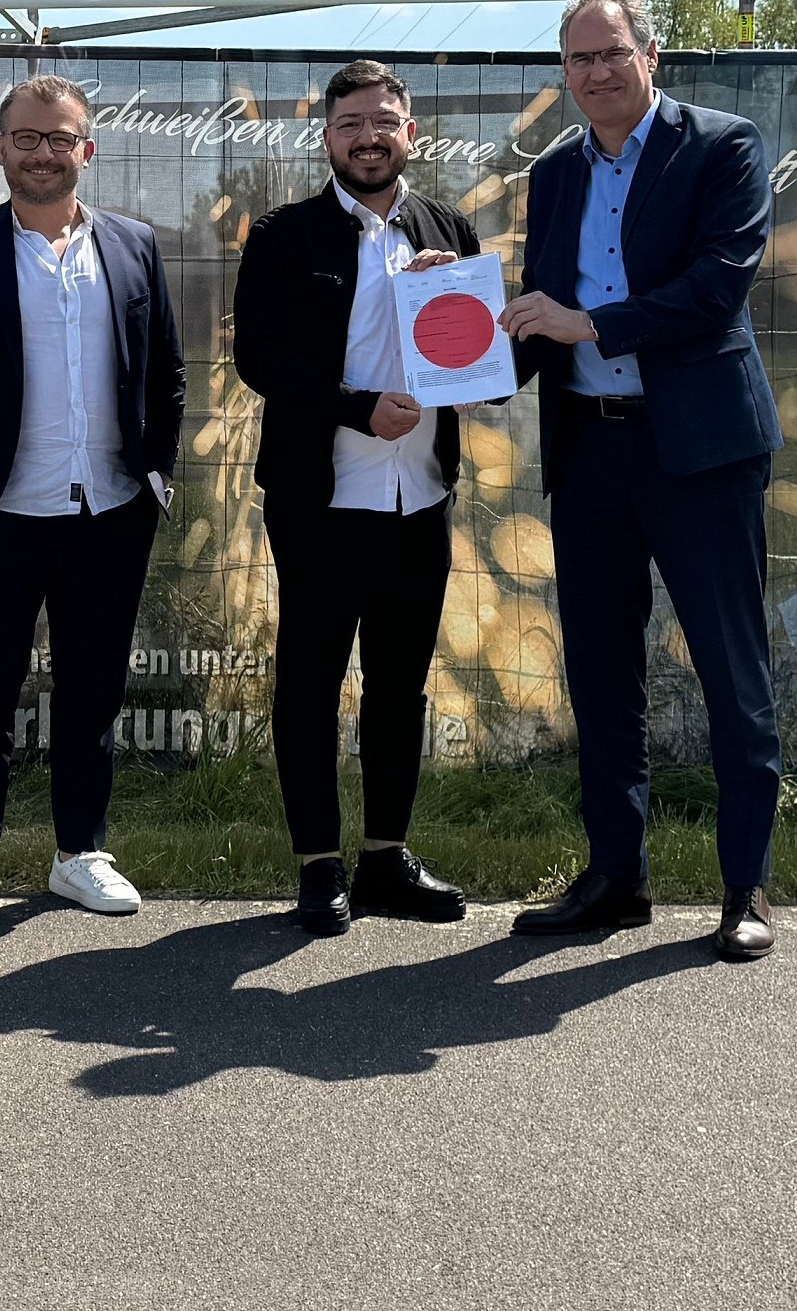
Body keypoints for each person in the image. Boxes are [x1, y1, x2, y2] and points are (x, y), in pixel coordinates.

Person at [499, 0, 785, 963]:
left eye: (610, 54)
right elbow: (548, 306)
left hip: (700, 452)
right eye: (577, 60)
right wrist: (464, 354)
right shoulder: (557, 174)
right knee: (602, 676)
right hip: (592, 454)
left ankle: (745, 889)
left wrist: (591, 325)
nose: (594, 74)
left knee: (731, 671)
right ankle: (616, 878)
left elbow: (715, 291)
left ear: (650, 55)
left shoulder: (724, 146)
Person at [0, 76, 186, 926]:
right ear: (1, 150)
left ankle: (79, 852)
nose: (44, 153)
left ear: (86, 150)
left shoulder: (133, 246)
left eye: (61, 139)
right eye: (28, 138)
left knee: (93, 691)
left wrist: (156, 473)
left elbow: (166, 372)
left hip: (111, 508)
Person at [230, 59, 479, 936]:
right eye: (349, 125)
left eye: (384, 121)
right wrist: (354, 410)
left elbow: (475, 370)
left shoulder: (448, 226)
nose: (368, 137)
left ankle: (384, 858)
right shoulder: (283, 234)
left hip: (420, 498)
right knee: (309, 681)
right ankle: (316, 864)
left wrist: (456, 304)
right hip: (319, 499)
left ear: (410, 132)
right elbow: (260, 359)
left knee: (400, 686)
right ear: (326, 138)